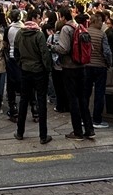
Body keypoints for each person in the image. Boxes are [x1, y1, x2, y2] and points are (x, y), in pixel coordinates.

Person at [53, 7, 93, 141]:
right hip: (82, 66)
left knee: (73, 99)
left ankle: (77, 131)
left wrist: (52, 46)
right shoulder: (79, 26)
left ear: (63, 17)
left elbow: (64, 49)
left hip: (69, 67)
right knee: (83, 98)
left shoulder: (66, 29)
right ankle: (89, 129)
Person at [13, 16, 53, 143]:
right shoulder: (39, 35)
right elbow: (44, 54)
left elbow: (16, 52)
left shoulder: (20, 34)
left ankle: (20, 132)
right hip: (39, 71)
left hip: (25, 70)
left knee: (24, 100)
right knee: (41, 101)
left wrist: (21, 64)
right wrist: (47, 68)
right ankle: (43, 135)